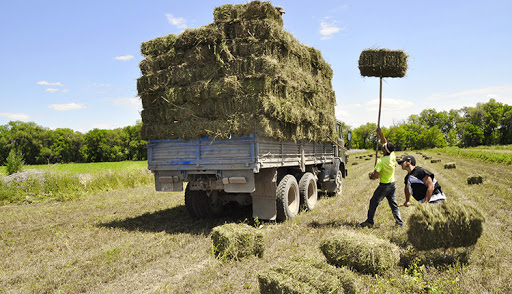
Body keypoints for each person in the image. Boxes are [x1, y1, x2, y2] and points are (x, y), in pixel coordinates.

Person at [360, 128, 403, 227]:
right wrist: (380, 133)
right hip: (392, 184)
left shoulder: (381, 161)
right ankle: (399, 223)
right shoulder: (392, 156)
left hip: (384, 186)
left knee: (373, 202)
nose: (382, 146)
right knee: (393, 205)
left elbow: (375, 176)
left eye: (383, 147)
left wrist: (373, 175)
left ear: (384, 150)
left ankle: (369, 221)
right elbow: (385, 142)